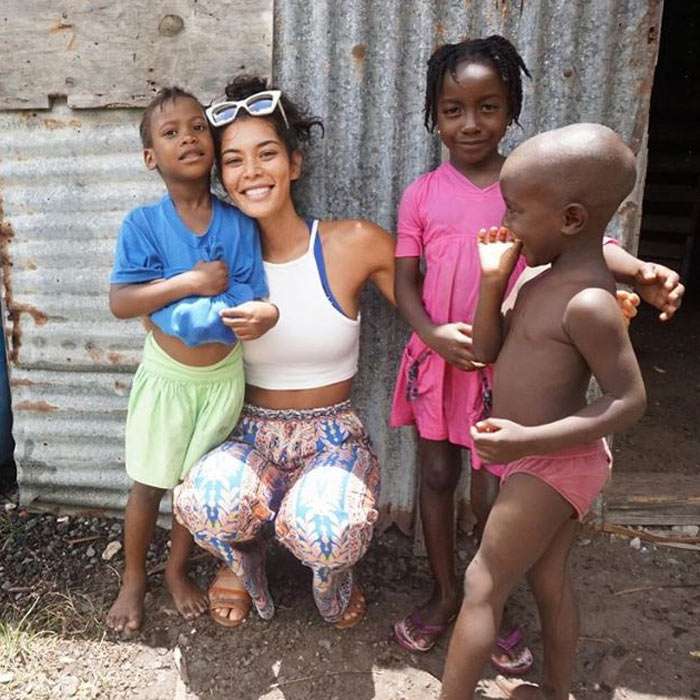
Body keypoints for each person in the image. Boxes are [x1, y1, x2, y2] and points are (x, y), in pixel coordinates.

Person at [391, 35, 684, 668]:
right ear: (433, 115)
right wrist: (432, 334)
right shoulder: (423, 194)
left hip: (502, 368)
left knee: (493, 489)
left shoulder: (532, 184)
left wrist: (639, 270)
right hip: (444, 362)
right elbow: (403, 278)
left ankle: (486, 600)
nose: (471, 123)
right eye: (453, 109)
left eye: (488, 107)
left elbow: (590, 244)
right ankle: (447, 595)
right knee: (437, 476)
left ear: (511, 110)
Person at [173, 76, 395, 629]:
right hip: (245, 430)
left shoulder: (353, 243)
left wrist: (581, 271)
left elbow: (441, 302)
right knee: (208, 503)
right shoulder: (211, 264)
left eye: (266, 153)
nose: (251, 171)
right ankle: (241, 564)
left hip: (331, 435)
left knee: (330, 529)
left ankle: (332, 579)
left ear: (294, 164)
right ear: (220, 177)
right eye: (234, 160)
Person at [440, 123, 647, 699]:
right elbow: (484, 352)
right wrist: (490, 282)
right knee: (547, 577)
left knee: (483, 580)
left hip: (556, 460)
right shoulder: (536, 280)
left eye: (516, 210)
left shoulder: (588, 304)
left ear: (572, 220)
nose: (507, 224)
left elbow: (629, 400)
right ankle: (558, 694)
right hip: (538, 454)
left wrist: (527, 442)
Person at [107, 87, 278, 633]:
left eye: (197, 127)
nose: (188, 138)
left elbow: (251, 291)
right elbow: (123, 301)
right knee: (148, 484)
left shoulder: (239, 224)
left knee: (192, 485)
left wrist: (176, 308)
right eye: (171, 131)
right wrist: (191, 283)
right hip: (168, 379)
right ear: (149, 156)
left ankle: (177, 570)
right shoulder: (144, 224)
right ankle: (133, 580)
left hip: (222, 378)